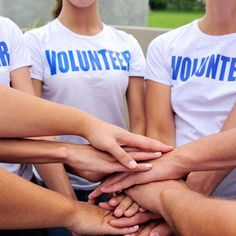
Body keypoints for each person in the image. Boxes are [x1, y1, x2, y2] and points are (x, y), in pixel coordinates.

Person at [24, 0, 146, 202]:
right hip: (55, 185)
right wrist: (69, 202)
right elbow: (32, 126)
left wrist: (125, 177)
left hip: (116, 186)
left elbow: (139, 122)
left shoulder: (126, 43)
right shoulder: (35, 41)